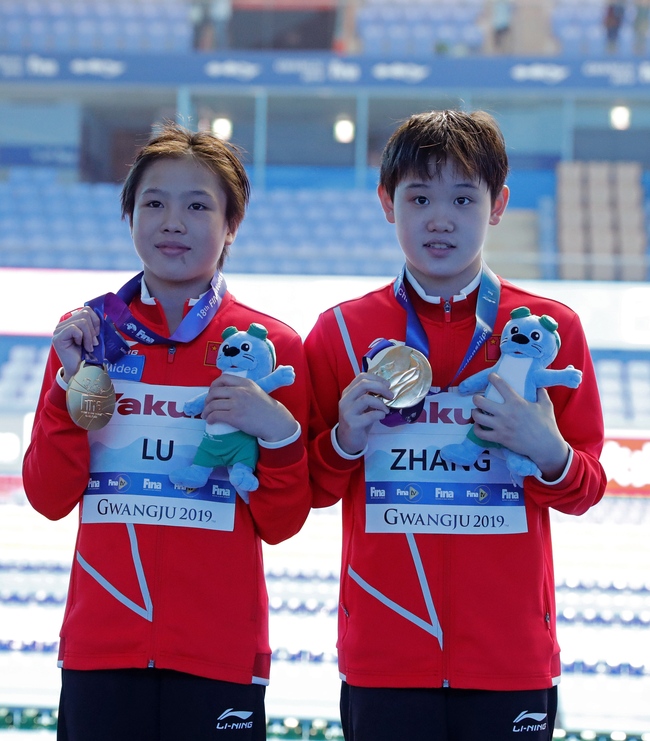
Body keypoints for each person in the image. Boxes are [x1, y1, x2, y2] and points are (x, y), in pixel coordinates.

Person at [305, 109, 607, 741]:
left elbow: (585, 487)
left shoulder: (550, 330)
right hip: (385, 653)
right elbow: (307, 488)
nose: (439, 218)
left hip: (510, 656)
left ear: (497, 205)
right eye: (419, 197)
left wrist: (549, 452)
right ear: (388, 203)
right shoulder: (338, 333)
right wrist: (342, 440)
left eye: (463, 197)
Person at [22, 123, 311, 741]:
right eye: (154, 202)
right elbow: (48, 498)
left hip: (219, 655)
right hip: (102, 649)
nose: (172, 221)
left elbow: (282, 523)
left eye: (198, 205)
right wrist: (67, 390)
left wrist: (280, 434)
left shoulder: (270, 349)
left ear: (232, 225)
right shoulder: (87, 338)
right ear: (129, 216)